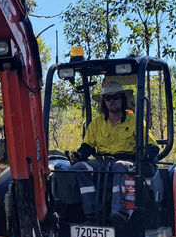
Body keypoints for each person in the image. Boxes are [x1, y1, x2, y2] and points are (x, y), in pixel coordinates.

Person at [60, 81, 160, 228]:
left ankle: (119, 213)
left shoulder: (135, 121)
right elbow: (87, 146)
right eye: (108, 98)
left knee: (119, 167)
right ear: (103, 102)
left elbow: (153, 146)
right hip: (102, 162)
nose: (112, 101)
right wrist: (79, 155)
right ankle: (91, 212)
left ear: (123, 99)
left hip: (127, 162)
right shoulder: (97, 123)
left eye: (115, 97)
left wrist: (146, 155)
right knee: (81, 167)